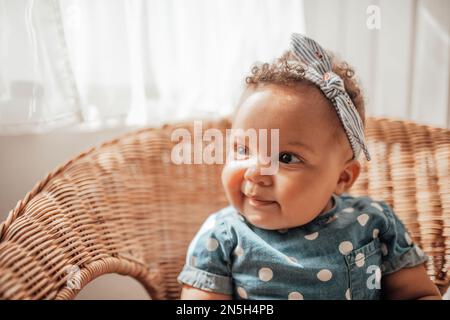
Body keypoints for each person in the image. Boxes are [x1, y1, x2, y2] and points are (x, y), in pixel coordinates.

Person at [177, 34, 441, 300]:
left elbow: (418, 295)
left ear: (342, 177)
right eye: (243, 150)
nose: (256, 172)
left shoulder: (373, 222)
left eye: (286, 158)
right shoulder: (222, 236)